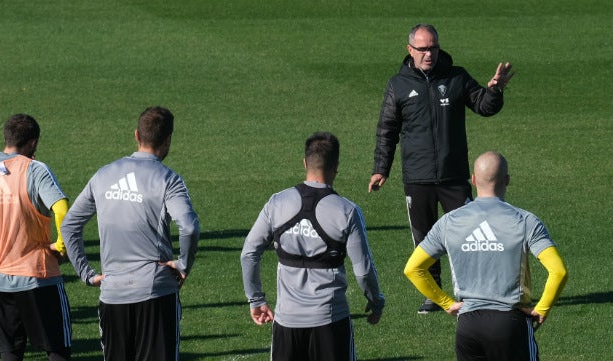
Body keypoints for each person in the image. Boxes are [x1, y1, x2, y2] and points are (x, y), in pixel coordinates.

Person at [368, 23, 515, 314]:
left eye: (432, 47)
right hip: (417, 177)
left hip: (454, 176)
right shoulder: (398, 84)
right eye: (422, 49)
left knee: (469, 236)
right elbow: (387, 129)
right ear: (409, 50)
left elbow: (484, 106)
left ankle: (475, 291)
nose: (428, 54)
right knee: (424, 239)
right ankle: (433, 295)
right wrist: (380, 168)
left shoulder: (456, 77)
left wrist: (494, 91)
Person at [60, 106, 200, 361]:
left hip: (112, 295)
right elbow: (189, 226)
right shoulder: (169, 180)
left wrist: (87, 274)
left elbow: (70, 225)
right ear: (167, 140)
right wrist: (183, 265)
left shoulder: (103, 175)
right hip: (155, 293)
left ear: (136, 135)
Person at [403, 151, 568, 361]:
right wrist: (542, 308)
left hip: (468, 326)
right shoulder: (526, 221)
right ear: (507, 180)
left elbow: (413, 268)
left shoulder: (448, 222)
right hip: (509, 323)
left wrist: (446, 303)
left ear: (473, 180)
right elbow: (559, 271)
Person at [241, 131, 385, 361]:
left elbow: (249, 253)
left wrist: (256, 299)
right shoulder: (347, 211)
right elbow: (363, 270)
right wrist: (376, 301)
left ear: (305, 163)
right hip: (330, 321)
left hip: (287, 322)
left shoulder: (277, 203)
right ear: (336, 166)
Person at [0, 114, 72, 361]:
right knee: (57, 349)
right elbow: (61, 208)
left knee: (11, 353)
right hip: (38, 276)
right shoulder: (35, 169)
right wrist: (61, 245)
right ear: (33, 143)